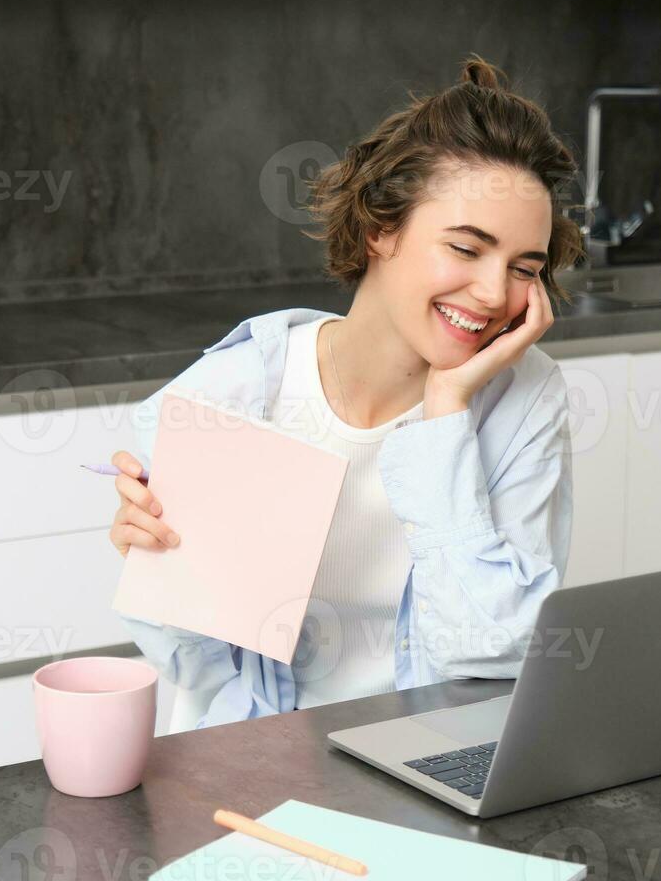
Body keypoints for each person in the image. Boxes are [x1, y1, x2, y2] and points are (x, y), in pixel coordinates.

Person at [110, 55, 583, 730]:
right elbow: (193, 659)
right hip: (256, 756)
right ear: (380, 229)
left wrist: (445, 417)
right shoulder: (241, 392)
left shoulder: (523, 402)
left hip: (435, 755)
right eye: (466, 248)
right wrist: (157, 571)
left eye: (522, 268)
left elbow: (498, 656)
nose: (491, 293)